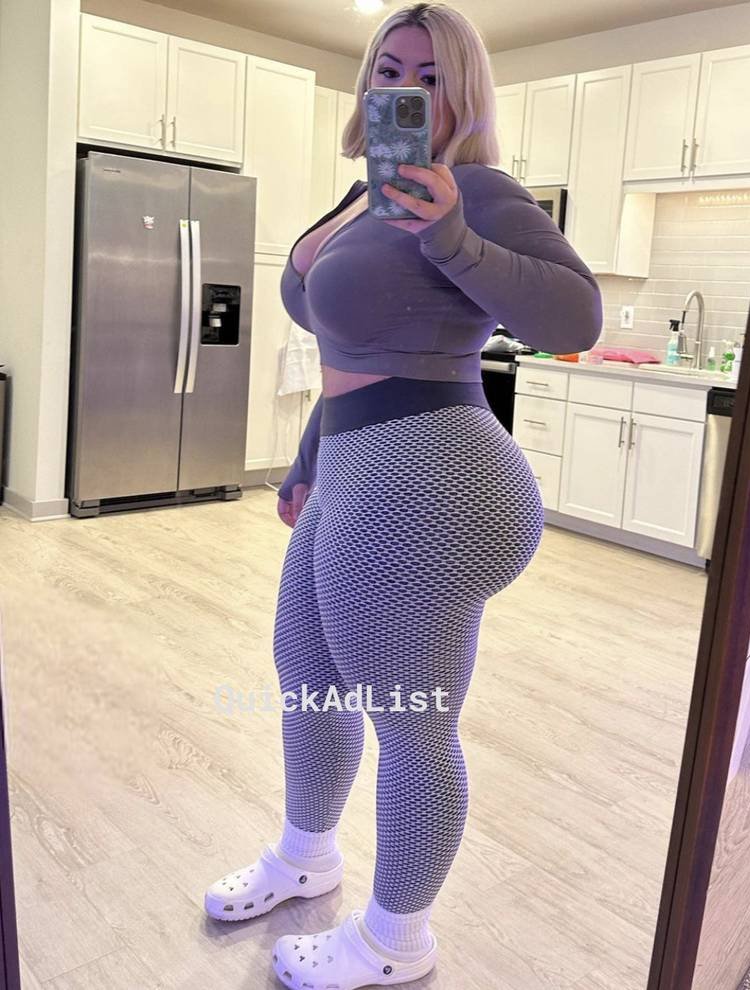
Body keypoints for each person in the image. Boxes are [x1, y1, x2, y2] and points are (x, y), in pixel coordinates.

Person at [205, 3, 603, 987]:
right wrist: (308, 458)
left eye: (431, 78)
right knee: (306, 673)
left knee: (410, 719)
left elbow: (574, 320)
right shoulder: (362, 195)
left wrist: (452, 233)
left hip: (432, 481)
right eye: (390, 69)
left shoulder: (477, 191)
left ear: (463, 94)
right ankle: (305, 857)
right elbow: (350, 355)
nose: (405, 90)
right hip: (357, 466)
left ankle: (395, 941)